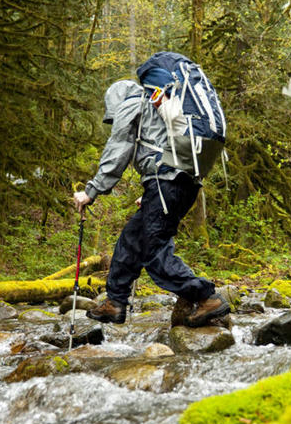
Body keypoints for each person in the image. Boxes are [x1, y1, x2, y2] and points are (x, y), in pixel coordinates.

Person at [73, 79, 230, 326]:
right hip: (178, 183)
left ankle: (206, 296)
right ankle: (115, 303)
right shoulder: (155, 108)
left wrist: (92, 191)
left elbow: (118, 150)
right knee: (132, 240)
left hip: (165, 183)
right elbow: (162, 150)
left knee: (153, 250)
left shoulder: (132, 104)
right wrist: (152, 194)